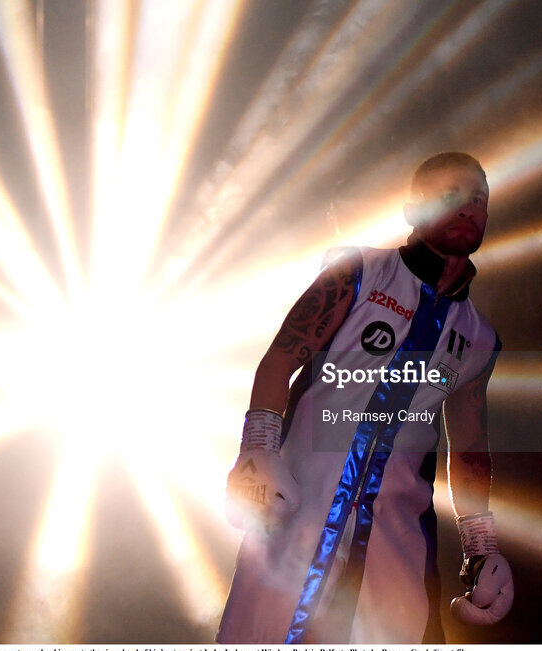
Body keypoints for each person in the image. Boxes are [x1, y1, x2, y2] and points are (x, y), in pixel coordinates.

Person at [216, 152, 513, 643]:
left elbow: (469, 450)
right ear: (412, 209)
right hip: (294, 522)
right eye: (450, 195)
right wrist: (256, 452)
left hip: (395, 553)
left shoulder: (479, 338)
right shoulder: (356, 274)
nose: (468, 208)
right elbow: (279, 361)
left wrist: (480, 547)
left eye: (478, 198)